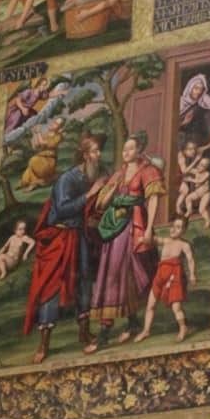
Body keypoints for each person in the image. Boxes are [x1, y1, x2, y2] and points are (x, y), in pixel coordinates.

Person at [23, 133, 106, 362]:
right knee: (52, 286)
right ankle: (44, 344)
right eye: (95, 151)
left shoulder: (95, 174)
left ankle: (84, 331)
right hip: (59, 236)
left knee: (84, 281)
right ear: (85, 155)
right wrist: (91, 193)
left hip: (79, 235)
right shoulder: (67, 179)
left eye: (99, 150)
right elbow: (62, 209)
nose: (99, 155)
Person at [87, 133, 165, 349]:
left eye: (130, 149)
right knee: (113, 272)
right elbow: (102, 203)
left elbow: (154, 199)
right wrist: (111, 190)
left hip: (135, 225)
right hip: (116, 227)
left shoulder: (148, 170)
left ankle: (118, 327)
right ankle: (117, 326)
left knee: (129, 272)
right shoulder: (119, 174)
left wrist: (148, 230)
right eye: (124, 149)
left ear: (139, 150)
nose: (126, 153)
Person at [135, 215, 197, 343]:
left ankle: (183, 327)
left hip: (174, 278)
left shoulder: (184, 245)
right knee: (150, 304)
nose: (174, 229)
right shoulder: (166, 241)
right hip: (160, 276)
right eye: (173, 226)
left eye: (178, 227)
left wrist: (192, 274)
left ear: (184, 230)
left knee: (176, 307)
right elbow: (153, 240)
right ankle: (146, 330)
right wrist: (142, 239)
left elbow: (190, 260)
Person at [19, 116, 66, 191]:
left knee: (34, 160)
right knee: (25, 179)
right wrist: (35, 134)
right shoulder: (45, 135)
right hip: (39, 159)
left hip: (48, 161)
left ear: (60, 128)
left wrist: (38, 132)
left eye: (56, 124)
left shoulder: (58, 136)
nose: (53, 124)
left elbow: (46, 144)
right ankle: (33, 182)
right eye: (54, 122)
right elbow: (36, 146)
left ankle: (34, 184)